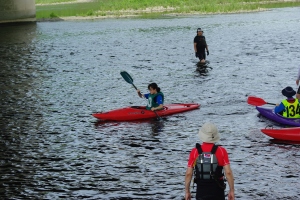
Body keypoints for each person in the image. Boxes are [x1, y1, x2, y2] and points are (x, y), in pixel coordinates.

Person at [185, 122, 235, 200]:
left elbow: (188, 174)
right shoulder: (222, 151)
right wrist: (231, 190)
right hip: (218, 192)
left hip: (201, 191)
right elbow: (228, 172)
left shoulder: (194, 152)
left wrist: (187, 191)